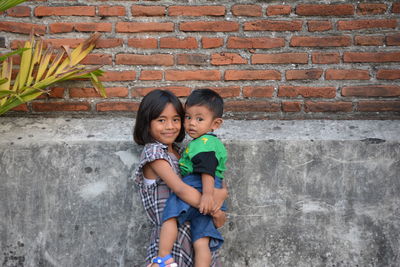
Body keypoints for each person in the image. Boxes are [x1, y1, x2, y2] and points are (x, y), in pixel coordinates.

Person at [133, 89, 227, 267]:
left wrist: (218, 207)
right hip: (170, 243)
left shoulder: (183, 152)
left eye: (176, 119)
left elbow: (215, 180)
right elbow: (181, 189)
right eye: (161, 120)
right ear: (147, 123)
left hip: (195, 237)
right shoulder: (154, 153)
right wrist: (213, 207)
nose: (170, 126)